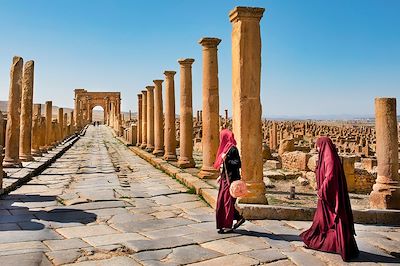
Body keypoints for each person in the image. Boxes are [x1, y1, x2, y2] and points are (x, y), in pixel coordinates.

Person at [300, 136, 359, 261]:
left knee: (325, 220)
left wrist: (322, 191)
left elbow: (330, 175)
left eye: (318, 145)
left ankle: (319, 242)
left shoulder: (329, 157)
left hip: (329, 196)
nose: (317, 148)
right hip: (327, 195)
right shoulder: (328, 156)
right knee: (324, 221)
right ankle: (329, 244)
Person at [214, 129, 246, 234]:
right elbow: (224, 166)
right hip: (225, 179)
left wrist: (226, 159)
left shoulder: (233, 149)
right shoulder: (225, 149)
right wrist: (221, 175)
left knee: (227, 203)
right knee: (221, 202)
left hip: (231, 180)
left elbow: (237, 163)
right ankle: (226, 222)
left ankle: (227, 226)